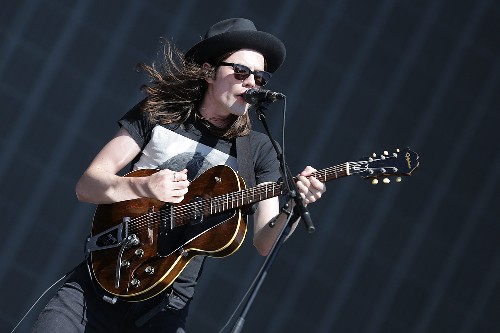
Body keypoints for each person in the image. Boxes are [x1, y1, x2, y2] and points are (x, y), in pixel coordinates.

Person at [31, 18, 326, 333]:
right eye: (241, 72)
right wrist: (144, 186)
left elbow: (265, 240)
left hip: (164, 307)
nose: (251, 83)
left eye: (260, 77)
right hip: (96, 284)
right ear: (210, 72)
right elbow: (87, 185)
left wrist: (293, 209)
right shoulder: (159, 113)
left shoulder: (261, 150)